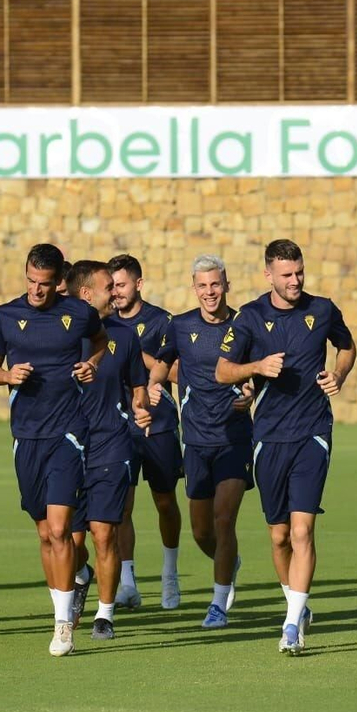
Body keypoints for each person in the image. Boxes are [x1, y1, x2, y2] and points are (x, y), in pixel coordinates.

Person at [215, 238, 356, 656]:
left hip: (313, 432)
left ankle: (292, 623)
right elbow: (223, 370)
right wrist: (257, 367)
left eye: (299, 273)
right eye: (287, 275)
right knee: (278, 537)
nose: (295, 281)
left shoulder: (323, 309)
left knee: (302, 530)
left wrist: (339, 375)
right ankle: (296, 601)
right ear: (268, 275)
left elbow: (346, 347)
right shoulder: (250, 317)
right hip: (268, 436)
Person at [0, 243, 106, 658]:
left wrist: (92, 365)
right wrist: (5, 376)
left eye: (45, 284)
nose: (37, 291)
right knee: (43, 532)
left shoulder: (79, 313)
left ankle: (62, 624)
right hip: (26, 436)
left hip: (69, 433)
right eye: (32, 282)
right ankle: (78, 576)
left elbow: (100, 342)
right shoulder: (6, 316)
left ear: (59, 281)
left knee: (59, 530)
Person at [151, 255, 255, 630]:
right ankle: (229, 563)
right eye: (203, 286)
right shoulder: (179, 326)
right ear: (194, 288)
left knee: (224, 520)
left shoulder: (246, 323)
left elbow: (255, 372)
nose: (210, 292)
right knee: (201, 531)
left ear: (226, 284)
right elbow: (163, 363)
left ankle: (218, 603)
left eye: (215, 284)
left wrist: (250, 392)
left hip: (234, 437)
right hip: (194, 439)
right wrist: (152, 387)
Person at [68, 260, 153, 641]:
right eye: (108, 287)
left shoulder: (125, 335)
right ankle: (82, 575)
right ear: (87, 295)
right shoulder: (59, 334)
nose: (116, 292)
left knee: (104, 532)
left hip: (112, 442)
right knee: (70, 540)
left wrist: (141, 406)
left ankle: (105, 613)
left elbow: (138, 384)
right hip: (67, 445)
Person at [107, 254, 184, 610]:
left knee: (165, 501)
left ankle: (170, 575)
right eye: (111, 286)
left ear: (138, 284)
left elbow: (178, 372)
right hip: (120, 425)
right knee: (121, 507)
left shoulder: (162, 322)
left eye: (121, 285)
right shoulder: (103, 324)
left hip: (159, 425)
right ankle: (127, 583)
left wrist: (141, 358)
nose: (115, 292)